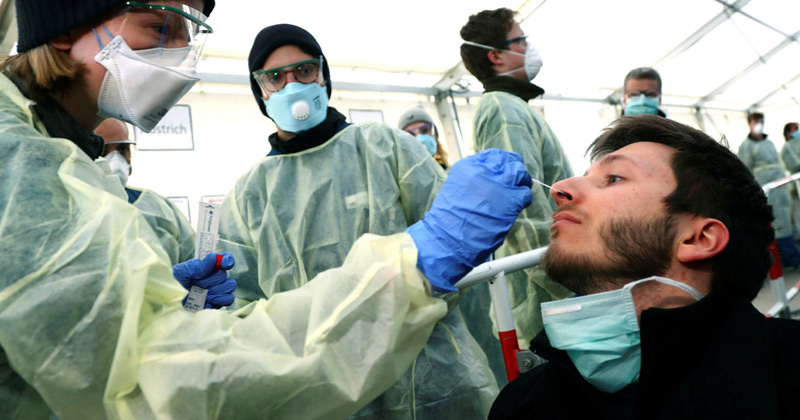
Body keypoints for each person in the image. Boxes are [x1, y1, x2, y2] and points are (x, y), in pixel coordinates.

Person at [0, 1, 533, 418]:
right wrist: (418, 262)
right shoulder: (19, 158)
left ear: (324, 75)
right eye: (159, 29)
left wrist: (149, 302)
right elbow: (154, 380)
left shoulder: (381, 147)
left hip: (435, 382)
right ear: (64, 21)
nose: (179, 59)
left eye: (191, 37)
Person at [217, 24, 498, 419]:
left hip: (431, 372)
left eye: (304, 71)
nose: (292, 86)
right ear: (258, 91)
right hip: (323, 387)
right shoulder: (249, 196)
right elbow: (237, 302)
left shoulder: (386, 148)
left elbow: (456, 249)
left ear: (323, 74)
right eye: (274, 77)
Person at [488, 115, 800, 420]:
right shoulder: (522, 405)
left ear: (698, 238)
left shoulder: (788, 372)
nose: (559, 189)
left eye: (613, 178)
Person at [459, 7, 574, 354]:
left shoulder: (512, 106)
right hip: (546, 307)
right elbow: (522, 213)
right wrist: (572, 285)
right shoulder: (503, 109)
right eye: (520, 40)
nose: (528, 48)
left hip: (548, 303)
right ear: (495, 56)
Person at [96, 118, 196, 264]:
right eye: (102, 150)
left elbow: (193, 258)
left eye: (122, 149)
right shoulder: (70, 211)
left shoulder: (158, 208)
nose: (115, 160)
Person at [738, 112, 800, 268]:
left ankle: (788, 257)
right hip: (767, 188)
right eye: (755, 121)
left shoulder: (769, 142)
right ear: (749, 123)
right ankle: (790, 258)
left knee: (787, 219)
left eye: (760, 120)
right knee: (777, 222)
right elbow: (745, 169)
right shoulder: (747, 145)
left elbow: (779, 164)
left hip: (781, 187)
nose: (759, 123)